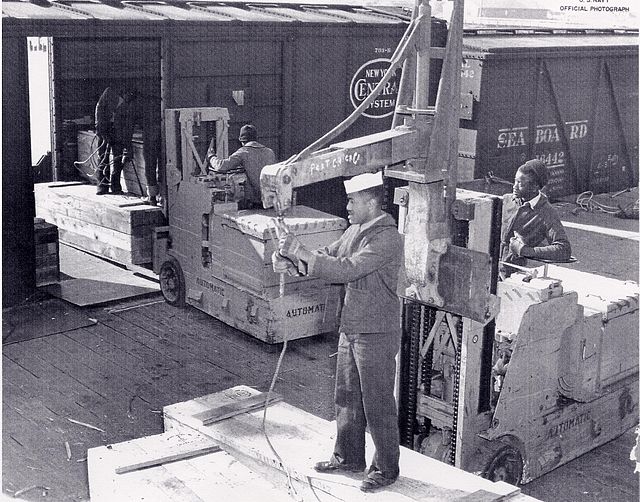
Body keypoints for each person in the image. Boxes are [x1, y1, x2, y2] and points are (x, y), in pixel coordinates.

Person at [277, 171, 403, 493]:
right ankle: (348, 457)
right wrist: (293, 259)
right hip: (352, 327)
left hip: (376, 331)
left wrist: (301, 254)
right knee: (347, 396)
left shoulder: (386, 237)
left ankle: (386, 468)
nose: (346, 206)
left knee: (377, 402)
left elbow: (349, 269)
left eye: (351, 200)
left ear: (372, 202)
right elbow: (330, 257)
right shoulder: (355, 230)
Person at [500, 159, 572, 278]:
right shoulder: (506, 200)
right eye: (515, 181)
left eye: (520, 183)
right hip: (488, 266)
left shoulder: (546, 213)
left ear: (534, 187)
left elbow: (564, 249)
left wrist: (525, 251)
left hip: (514, 274)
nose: (514, 186)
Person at [207, 124, 276, 209]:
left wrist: (211, 157)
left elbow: (221, 166)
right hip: (271, 201)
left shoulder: (243, 152)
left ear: (242, 141)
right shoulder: (270, 152)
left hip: (254, 203)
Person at [94, 86, 137, 195]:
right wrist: (100, 129)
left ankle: (116, 186)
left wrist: (127, 144)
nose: (128, 99)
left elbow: (129, 126)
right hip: (104, 129)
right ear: (124, 92)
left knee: (117, 159)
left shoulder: (130, 106)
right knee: (102, 157)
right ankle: (102, 186)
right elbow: (99, 108)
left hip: (118, 132)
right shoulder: (109, 93)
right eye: (128, 96)